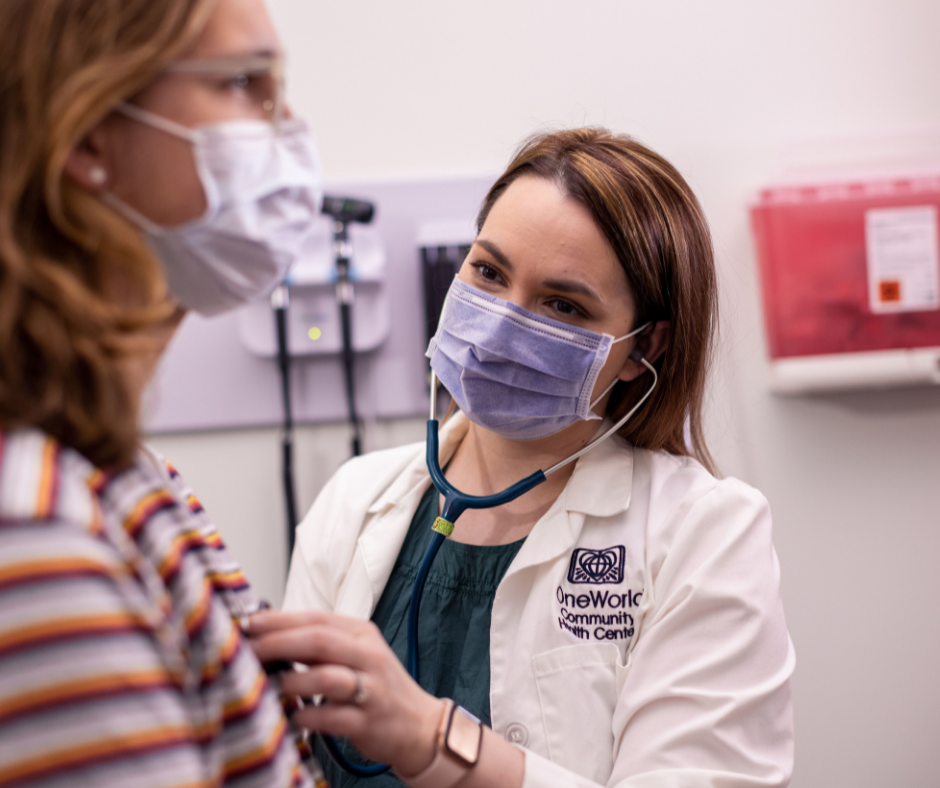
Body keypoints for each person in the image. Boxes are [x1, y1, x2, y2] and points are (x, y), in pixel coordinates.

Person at [249, 129, 796, 788]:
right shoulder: (355, 498)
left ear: (642, 349)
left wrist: (433, 742)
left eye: (562, 305)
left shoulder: (704, 532)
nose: (502, 325)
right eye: (487, 271)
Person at [0, 0, 325, 785]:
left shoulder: (124, 468)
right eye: (244, 83)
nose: (288, 128)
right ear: (86, 137)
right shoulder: (33, 525)